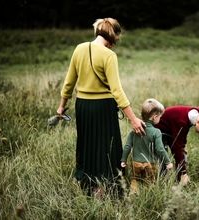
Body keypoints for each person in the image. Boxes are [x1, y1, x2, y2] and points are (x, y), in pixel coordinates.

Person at [56, 18, 145, 195]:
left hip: (82, 106)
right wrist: (133, 119)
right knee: (108, 148)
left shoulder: (79, 48)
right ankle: (107, 188)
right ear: (113, 36)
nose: (115, 45)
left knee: (87, 145)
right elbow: (117, 91)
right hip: (103, 108)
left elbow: (68, 83)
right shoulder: (109, 56)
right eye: (116, 40)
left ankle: (88, 185)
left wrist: (61, 107)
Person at [155, 105, 199, 185]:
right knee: (164, 157)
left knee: (182, 154)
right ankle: (162, 181)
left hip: (172, 128)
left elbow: (180, 140)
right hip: (160, 130)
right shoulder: (182, 122)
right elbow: (177, 147)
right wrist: (183, 172)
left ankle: (180, 180)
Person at [121, 98, 173, 194]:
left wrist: (123, 160)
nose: (160, 119)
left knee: (135, 181)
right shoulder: (156, 132)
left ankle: (133, 197)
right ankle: (148, 198)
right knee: (150, 184)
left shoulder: (134, 131)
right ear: (154, 117)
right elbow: (160, 149)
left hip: (136, 163)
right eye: (160, 117)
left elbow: (127, 146)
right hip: (151, 164)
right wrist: (168, 162)